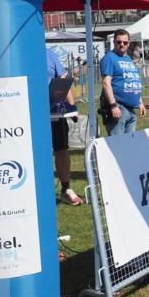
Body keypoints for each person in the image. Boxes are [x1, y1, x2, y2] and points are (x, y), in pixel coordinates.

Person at [47, 48, 83, 206]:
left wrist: (72, 107)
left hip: (55, 112)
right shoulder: (22, 51)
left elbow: (62, 82)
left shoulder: (49, 53)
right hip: (31, 112)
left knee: (62, 149)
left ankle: (66, 189)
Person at [100, 29, 146, 135]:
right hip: (118, 108)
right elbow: (106, 83)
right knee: (117, 143)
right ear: (114, 42)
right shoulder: (109, 58)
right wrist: (113, 106)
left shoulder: (128, 58)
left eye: (125, 42)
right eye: (119, 42)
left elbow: (132, 81)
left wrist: (140, 103)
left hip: (131, 109)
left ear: (128, 43)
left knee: (129, 143)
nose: (122, 44)